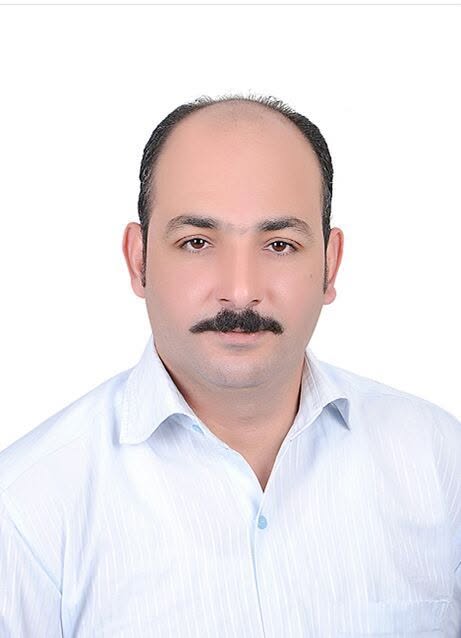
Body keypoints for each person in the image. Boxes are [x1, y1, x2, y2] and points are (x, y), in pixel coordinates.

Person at [0, 93, 459, 637]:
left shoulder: (439, 462)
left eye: (280, 245)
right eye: (196, 242)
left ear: (330, 264)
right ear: (138, 259)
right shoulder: (26, 508)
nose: (240, 292)